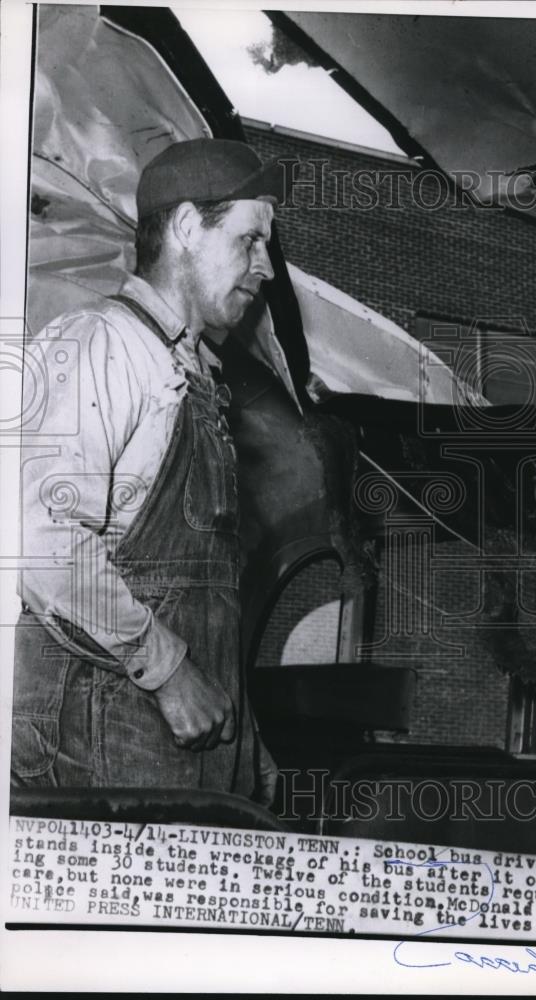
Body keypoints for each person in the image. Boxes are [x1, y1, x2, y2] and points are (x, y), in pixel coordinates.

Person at [12, 138, 284, 803]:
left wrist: (243, 740)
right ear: (188, 227)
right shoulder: (101, 344)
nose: (267, 267)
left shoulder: (194, 376)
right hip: (100, 738)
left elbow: (202, 595)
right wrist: (165, 671)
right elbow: (42, 542)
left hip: (173, 744)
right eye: (251, 240)